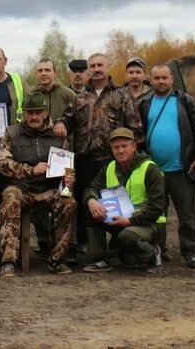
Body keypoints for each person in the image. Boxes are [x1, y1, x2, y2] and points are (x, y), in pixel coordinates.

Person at [53, 53, 143, 252]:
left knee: (117, 202)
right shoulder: (80, 97)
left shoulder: (122, 94)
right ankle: (89, 246)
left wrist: (130, 154)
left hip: (113, 159)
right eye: (92, 66)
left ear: (107, 67)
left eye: (100, 65)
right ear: (88, 70)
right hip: (86, 159)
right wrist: (60, 123)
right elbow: (66, 119)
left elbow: (135, 127)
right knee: (88, 202)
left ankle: (121, 245)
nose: (96, 69)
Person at [0, 93, 77, 277]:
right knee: (10, 200)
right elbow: (2, 164)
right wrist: (31, 170)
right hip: (20, 188)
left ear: (46, 113)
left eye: (38, 112)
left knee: (68, 202)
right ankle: (8, 261)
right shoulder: (12, 133)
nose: (33, 117)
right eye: (29, 113)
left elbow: (68, 166)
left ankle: (57, 260)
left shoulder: (58, 136)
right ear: (23, 114)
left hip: (49, 189)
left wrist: (69, 179)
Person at [138, 64, 195, 269]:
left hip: (181, 169)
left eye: (164, 78)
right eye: (156, 78)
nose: (161, 82)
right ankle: (159, 250)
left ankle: (192, 252)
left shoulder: (185, 101)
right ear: (150, 81)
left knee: (186, 214)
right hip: (154, 171)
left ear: (171, 80)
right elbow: (139, 135)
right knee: (157, 215)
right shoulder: (144, 103)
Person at [82, 128, 165, 273]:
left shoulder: (150, 169)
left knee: (127, 237)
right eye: (116, 147)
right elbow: (92, 188)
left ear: (134, 146)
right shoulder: (109, 168)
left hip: (149, 223)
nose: (120, 151)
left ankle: (153, 252)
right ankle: (100, 259)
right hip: (120, 218)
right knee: (92, 211)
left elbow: (157, 207)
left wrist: (129, 221)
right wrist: (91, 201)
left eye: (124, 146)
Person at [30, 58, 76, 259]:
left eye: (47, 70)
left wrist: (62, 124)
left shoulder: (68, 94)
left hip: (65, 154)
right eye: (40, 70)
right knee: (39, 196)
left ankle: (69, 246)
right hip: (39, 153)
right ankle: (43, 242)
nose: (43, 73)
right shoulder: (32, 95)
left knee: (67, 196)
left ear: (55, 72)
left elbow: (78, 120)